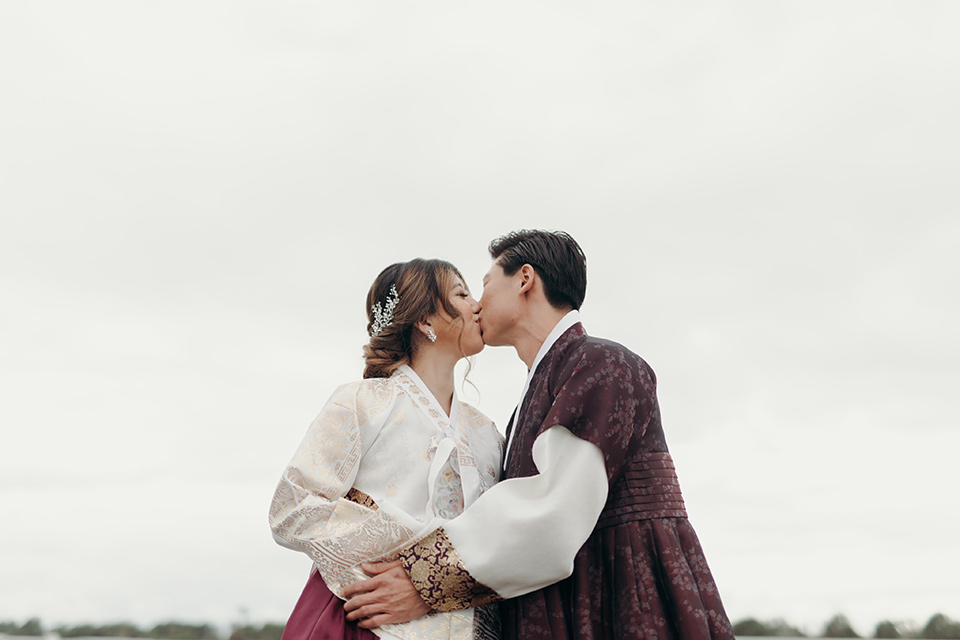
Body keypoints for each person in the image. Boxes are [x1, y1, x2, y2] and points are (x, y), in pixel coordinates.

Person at [342, 230, 734, 640]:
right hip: (570, 595)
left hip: (623, 588)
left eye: (485, 284)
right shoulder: (540, 389)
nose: (477, 303)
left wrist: (427, 579)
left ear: (525, 279)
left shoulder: (604, 363)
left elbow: (554, 509)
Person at [269, 258, 504, 640]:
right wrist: (404, 545)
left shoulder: (487, 433)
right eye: (462, 294)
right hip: (362, 618)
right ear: (426, 321)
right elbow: (291, 507)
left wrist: (432, 578)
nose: (477, 305)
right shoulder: (363, 402)